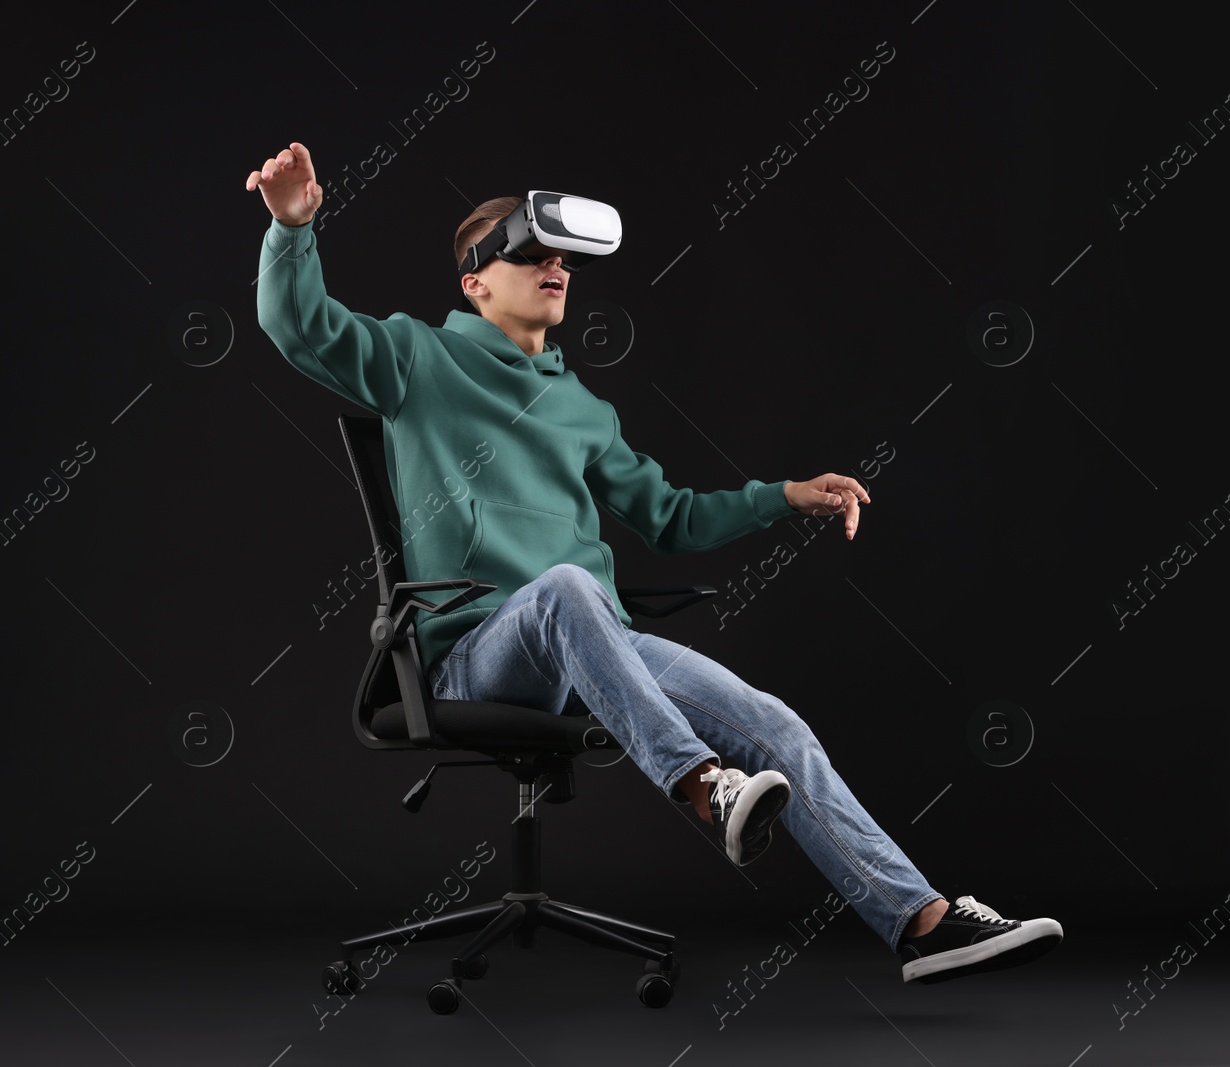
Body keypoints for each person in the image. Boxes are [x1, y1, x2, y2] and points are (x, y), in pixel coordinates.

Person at [247, 141, 1061, 984]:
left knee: (773, 721)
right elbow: (299, 326)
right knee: (564, 587)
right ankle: (707, 788)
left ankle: (922, 921)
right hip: (472, 656)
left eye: (561, 256)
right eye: (529, 252)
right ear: (475, 282)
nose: (553, 266)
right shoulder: (418, 358)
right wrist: (291, 228)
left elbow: (672, 517)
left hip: (592, 640)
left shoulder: (583, 410)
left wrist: (783, 494)